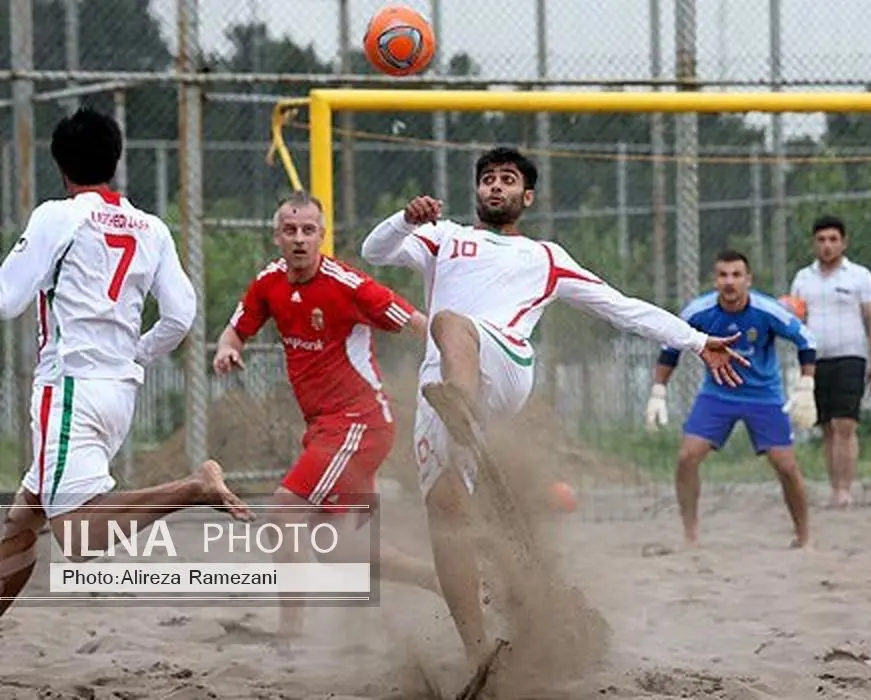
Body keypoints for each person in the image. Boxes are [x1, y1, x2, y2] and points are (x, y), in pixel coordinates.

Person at [358, 146, 748, 671]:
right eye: (488, 179)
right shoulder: (442, 236)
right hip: (441, 382)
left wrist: (699, 342)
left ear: (527, 195)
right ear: (477, 191)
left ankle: (466, 411)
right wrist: (405, 218)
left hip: (505, 363)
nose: (496, 187)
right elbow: (374, 250)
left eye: (508, 179)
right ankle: (479, 652)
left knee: (448, 321)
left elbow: (622, 307)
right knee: (444, 517)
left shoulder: (546, 257)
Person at [0, 107, 251, 618]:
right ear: (115, 163)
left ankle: (194, 488)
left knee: (76, 535)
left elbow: (7, 301)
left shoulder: (58, 215)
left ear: (62, 168)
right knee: (25, 518)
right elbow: (181, 317)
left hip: (69, 386)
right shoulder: (150, 227)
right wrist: (136, 352)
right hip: (118, 392)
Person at [213, 190, 440, 645]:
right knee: (348, 551)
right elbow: (236, 329)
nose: (299, 238)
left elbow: (419, 321)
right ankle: (444, 581)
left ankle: (290, 633)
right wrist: (226, 349)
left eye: (308, 230)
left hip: (360, 421)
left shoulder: (349, 285)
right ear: (277, 236)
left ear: (322, 235)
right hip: (325, 429)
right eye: (291, 230)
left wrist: (461, 358)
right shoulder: (269, 282)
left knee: (283, 511)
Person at [644, 249, 817, 548]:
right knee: (687, 457)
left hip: (763, 395)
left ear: (748, 279)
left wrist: (806, 385)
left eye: (737, 275)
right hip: (717, 393)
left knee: (786, 466)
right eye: (723, 275)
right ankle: (690, 535)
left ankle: (803, 537)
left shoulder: (767, 310)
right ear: (715, 280)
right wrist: (658, 391)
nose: (729, 282)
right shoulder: (698, 312)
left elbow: (806, 340)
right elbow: (670, 347)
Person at [788, 215, 871, 508]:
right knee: (827, 426)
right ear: (813, 243)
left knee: (845, 424)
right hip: (815, 361)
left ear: (844, 242)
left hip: (850, 357)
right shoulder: (803, 279)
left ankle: (845, 489)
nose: (827, 246)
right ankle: (834, 487)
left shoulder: (860, 277)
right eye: (821, 240)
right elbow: (795, 320)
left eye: (833, 240)